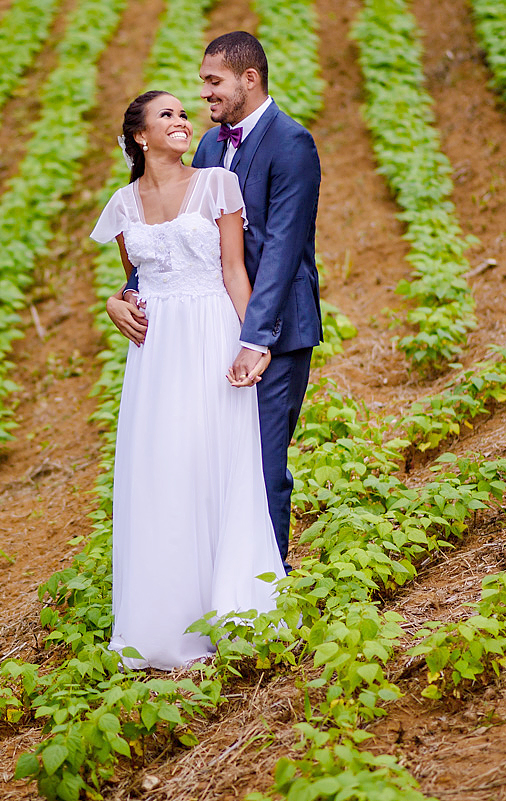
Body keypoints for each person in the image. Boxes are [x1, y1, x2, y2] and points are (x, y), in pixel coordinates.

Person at [107, 32, 322, 570]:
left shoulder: (291, 143)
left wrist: (254, 338)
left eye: (213, 83)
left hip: (273, 330)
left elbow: (279, 251)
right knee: (211, 462)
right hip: (209, 331)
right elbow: (170, 247)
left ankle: (268, 591)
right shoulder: (207, 146)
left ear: (249, 79)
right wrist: (125, 296)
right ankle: (212, 585)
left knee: (261, 463)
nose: (205, 96)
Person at [91, 90, 285, 670]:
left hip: (214, 334)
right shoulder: (123, 205)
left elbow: (233, 269)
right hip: (157, 354)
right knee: (165, 469)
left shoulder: (218, 184)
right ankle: (167, 620)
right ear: (140, 137)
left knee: (219, 462)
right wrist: (113, 302)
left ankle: (235, 609)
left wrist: (254, 342)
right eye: (167, 116)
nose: (181, 122)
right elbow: (135, 282)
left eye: (183, 113)